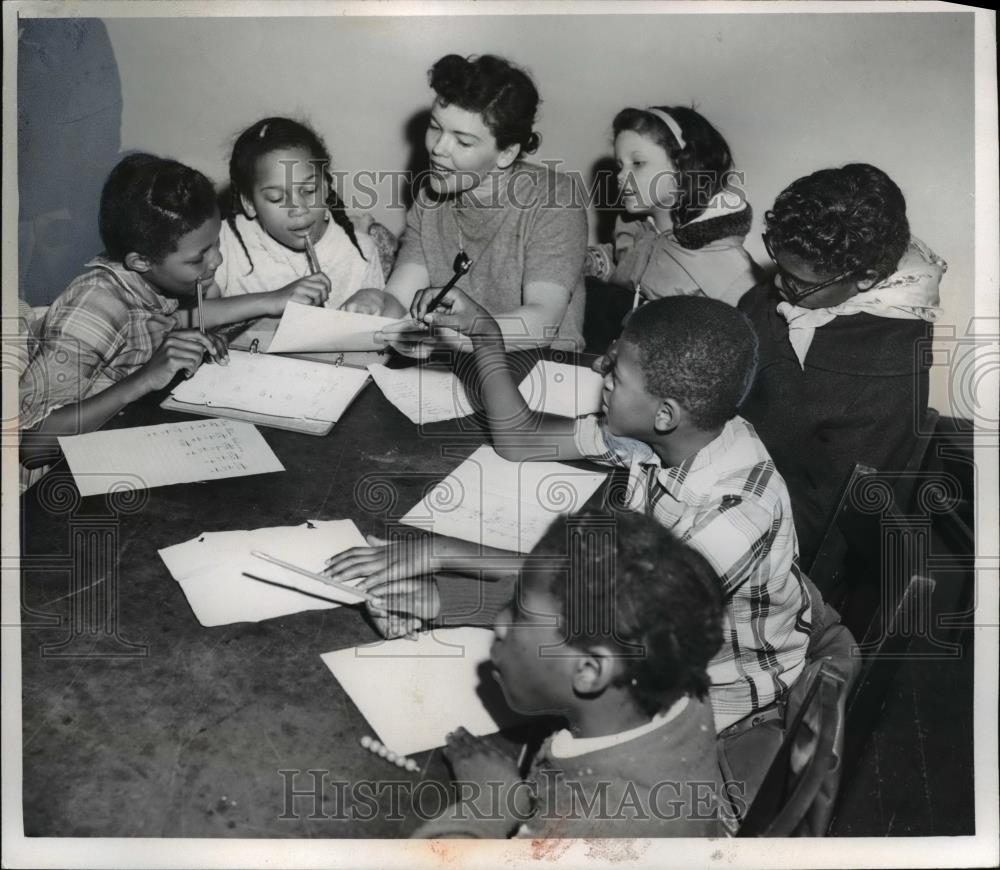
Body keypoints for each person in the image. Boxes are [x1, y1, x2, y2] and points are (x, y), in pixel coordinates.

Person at [325, 294, 813, 735]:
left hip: (714, 699)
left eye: (614, 373)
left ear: (664, 413)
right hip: (629, 624)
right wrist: (486, 336)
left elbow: (602, 601)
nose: (599, 367)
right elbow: (520, 440)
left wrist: (442, 560)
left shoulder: (727, 521)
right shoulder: (676, 433)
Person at [412, 510, 733, 839]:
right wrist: (448, 599)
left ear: (590, 671)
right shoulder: (677, 677)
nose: (499, 623)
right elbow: (559, 596)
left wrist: (491, 804)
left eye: (519, 614)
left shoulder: (592, 830)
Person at [19, 152, 325, 478]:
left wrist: (271, 300)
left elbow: (179, 317)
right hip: (48, 486)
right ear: (141, 261)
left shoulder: (145, 284)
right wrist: (145, 379)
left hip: (113, 446)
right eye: (198, 259)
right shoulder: (96, 308)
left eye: (216, 245)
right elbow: (32, 444)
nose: (216, 261)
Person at [738, 163, 945, 566]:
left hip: (766, 540)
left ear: (866, 279)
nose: (778, 285)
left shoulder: (887, 381)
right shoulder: (808, 282)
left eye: (796, 282)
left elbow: (824, 529)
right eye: (776, 264)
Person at [340, 53, 587, 352]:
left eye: (463, 141)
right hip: (453, 366)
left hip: (542, 369)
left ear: (507, 153)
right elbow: (400, 298)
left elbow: (541, 321)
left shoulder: (555, 199)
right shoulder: (430, 198)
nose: (438, 149)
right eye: (435, 127)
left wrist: (450, 336)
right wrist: (376, 303)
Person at [587, 105, 756, 306]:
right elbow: (631, 265)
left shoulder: (725, 263)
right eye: (620, 165)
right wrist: (593, 262)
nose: (620, 176)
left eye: (638, 163)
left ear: (683, 165)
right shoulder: (637, 233)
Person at [215, 117, 385, 308]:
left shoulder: (360, 252)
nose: (299, 209)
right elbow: (186, 318)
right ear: (249, 203)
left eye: (309, 190)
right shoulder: (225, 242)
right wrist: (271, 300)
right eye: (276, 198)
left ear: (327, 186)